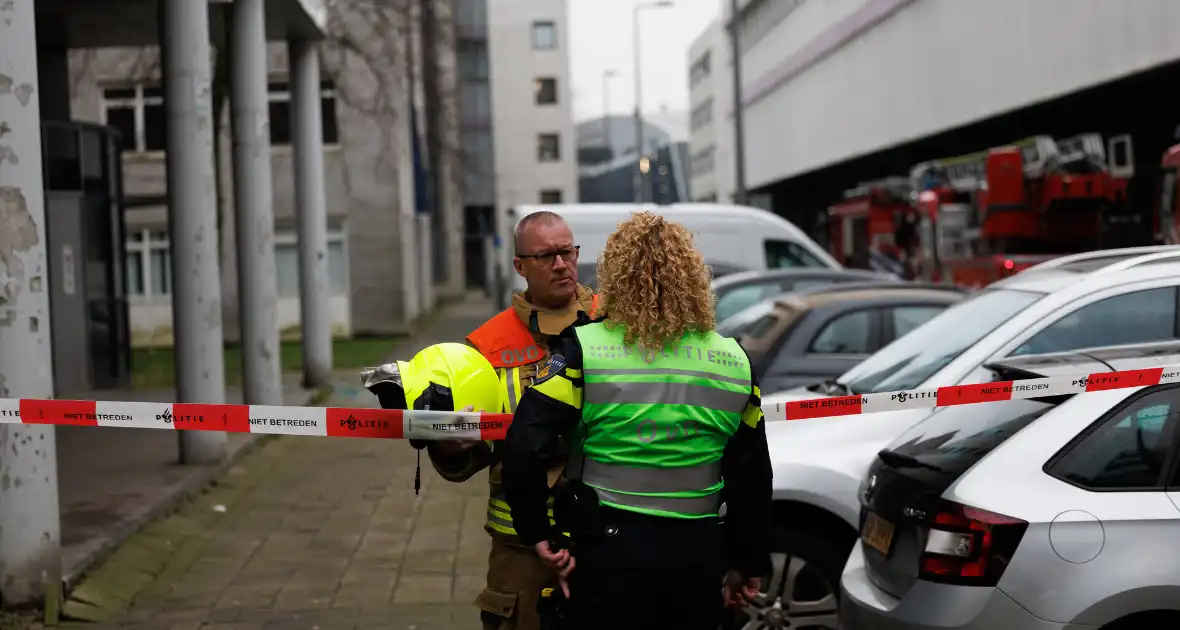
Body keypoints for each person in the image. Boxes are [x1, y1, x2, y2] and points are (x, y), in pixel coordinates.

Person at [500, 211, 773, 630]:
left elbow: (524, 445)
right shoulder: (734, 360)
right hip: (696, 560)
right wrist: (746, 562)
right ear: (693, 277)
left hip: (608, 557)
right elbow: (752, 476)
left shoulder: (584, 349)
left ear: (617, 275)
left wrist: (540, 534)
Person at [422, 210, 600, 630]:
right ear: (519, 266)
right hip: (520, 550)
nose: (561, 264)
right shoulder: (486, 347)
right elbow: (464, 459)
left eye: (567, 252)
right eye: (546, 257)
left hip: (606, 537)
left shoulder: (613, 324)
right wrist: (449, 445)